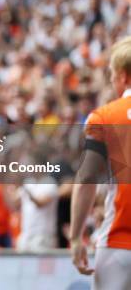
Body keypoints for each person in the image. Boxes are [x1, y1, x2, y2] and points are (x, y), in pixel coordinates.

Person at [71, 36, 131, 289]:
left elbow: (86, 179)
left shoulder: (104, 116)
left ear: (123, 76)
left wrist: (75, 237)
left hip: (120, 242)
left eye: (111, 73)